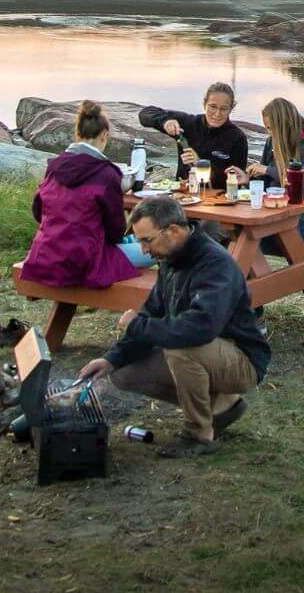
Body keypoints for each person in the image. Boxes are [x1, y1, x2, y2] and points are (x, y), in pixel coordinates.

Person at [78, 195, 270, 459]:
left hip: (242, 360)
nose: (144, 250)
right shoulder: (170, 261)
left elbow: (200, 328)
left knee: (181, 350)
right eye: (140, 241)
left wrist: (137, 326)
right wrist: (111, 359)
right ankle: (222, 407)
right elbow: (151, 313)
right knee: (123, 372)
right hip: (208, 353)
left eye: (147, 240)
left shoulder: (215, 265)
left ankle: (199, 435)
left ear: (174, 231)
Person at [18, 101, 154, 290]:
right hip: (85, 263)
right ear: (105, 136)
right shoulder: (107, 174)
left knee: (135, 240)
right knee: (156, 249)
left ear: (77, 134)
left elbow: (38, 212)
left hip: (47, 255)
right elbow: (116, 231)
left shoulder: (54, 167)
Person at [244, 97, 304, 253]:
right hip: (267, 214)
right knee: (234, 235)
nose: (269, 134)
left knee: (245, 240)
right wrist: (246, 180)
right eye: (267, 128)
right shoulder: (272, 142)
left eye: (271, 128)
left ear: (285, 126)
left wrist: (266, 169)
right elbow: (264, 182)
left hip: (297, 222)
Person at [138, 83, 249, 190]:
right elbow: (145, 113)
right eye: (213, 107)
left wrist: (201, 164)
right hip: (184, 195)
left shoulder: (238, 138)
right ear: (205, 104)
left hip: (220, 200)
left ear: (230, 109)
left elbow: (237, 180)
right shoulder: (189, 123)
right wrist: (165, 122)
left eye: (224, 108)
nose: (217, 113)